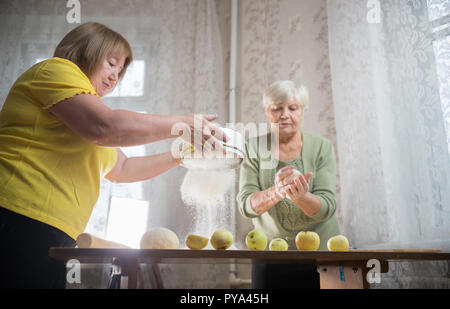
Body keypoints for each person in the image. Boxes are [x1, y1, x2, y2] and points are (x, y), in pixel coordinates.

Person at [0, 22, 226, 288]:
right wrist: (183, 125)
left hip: (53, 229)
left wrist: (181, 155)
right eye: (110, 63)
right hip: (16, 214)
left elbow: (124, 168)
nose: (114, 77)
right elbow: (104, 127)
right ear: (85, 51)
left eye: (120, 71)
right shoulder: (55, 70)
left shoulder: (81, 110)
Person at [236, 80, 340, 289]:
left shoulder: (322, 147)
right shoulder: (253, 147)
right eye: (277, 108)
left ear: (302, 111)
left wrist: (301, 197)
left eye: (292, 108)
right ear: (267, 112)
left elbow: (328, 206)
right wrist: (277, 192)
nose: (285, 114)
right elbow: (246, 205)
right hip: (271, 256)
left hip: (322, 256)